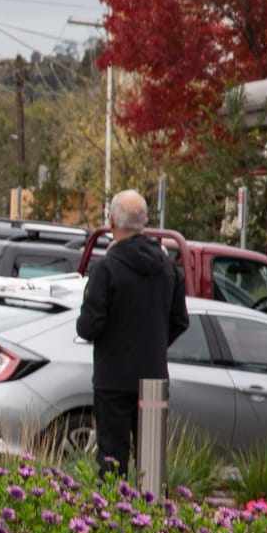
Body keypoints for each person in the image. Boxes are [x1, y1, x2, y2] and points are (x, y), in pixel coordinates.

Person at [76, 190, 189, 477]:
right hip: (153, 377)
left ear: (111, 221)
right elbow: (180, 321)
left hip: (112, 381)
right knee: (151, 470)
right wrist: (155, 343)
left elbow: (88, 326)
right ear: (145, 221)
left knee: (112, 464)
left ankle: (114, 519)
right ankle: (153, 520)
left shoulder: (106, 269)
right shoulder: (168, 269)